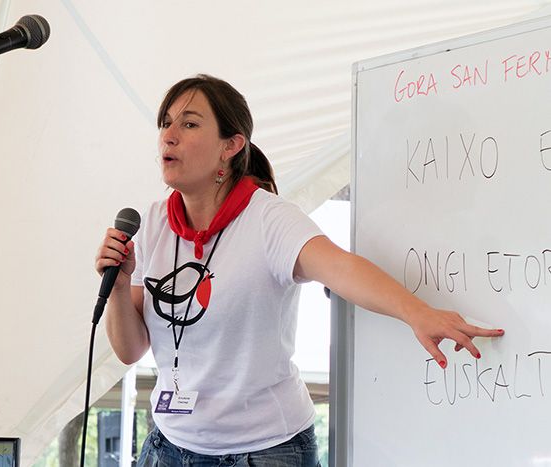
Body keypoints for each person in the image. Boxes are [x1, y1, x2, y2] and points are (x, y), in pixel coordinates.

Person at [94, 74, 503, 466]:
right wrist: (119, 286)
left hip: (264, 451)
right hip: (171, 446)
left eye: (189, 123)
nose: (169, 134)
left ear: (231, 145)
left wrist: (418, 313)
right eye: (165, 123)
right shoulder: (151, 223)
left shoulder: (269, 219)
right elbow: (130, 350)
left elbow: (341, 268)